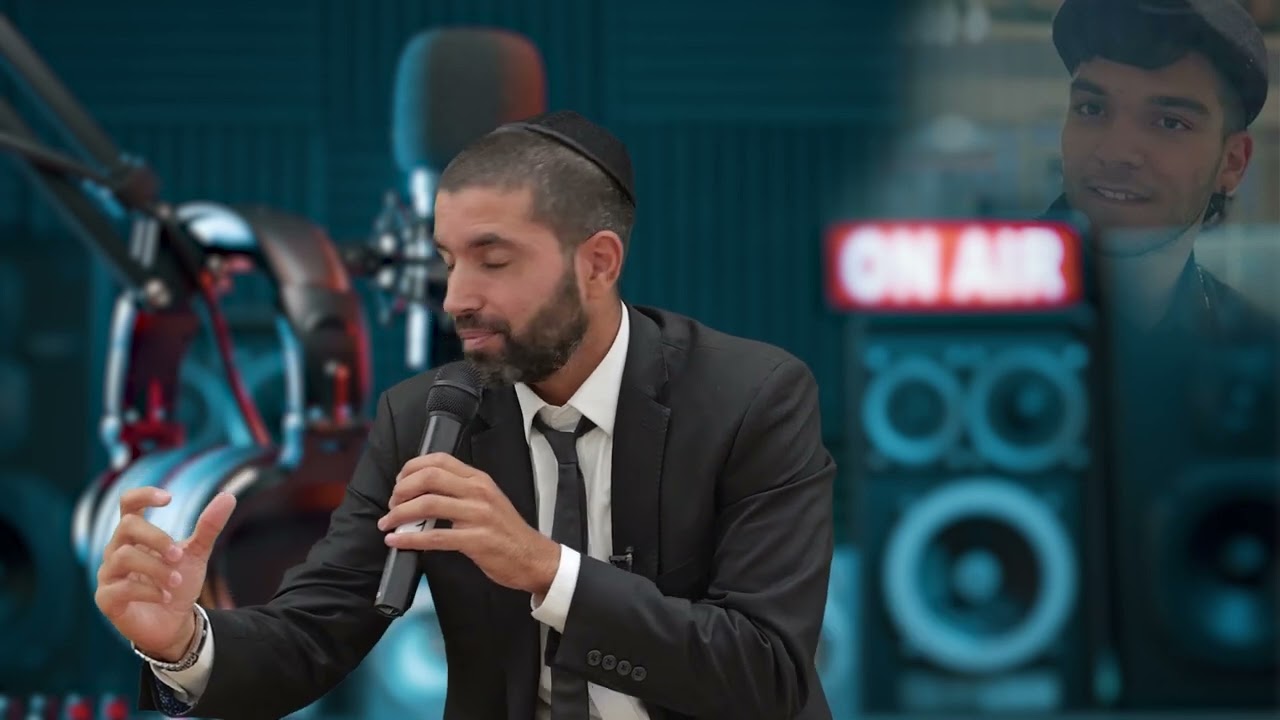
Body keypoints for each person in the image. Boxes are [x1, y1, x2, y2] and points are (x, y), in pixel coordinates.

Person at [93, 110, 838, 720]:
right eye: (449, 261)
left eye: (494, 260)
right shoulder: (423, 416)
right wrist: (183, 643)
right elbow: (315, 633)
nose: (456, 299)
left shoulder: (754, 398)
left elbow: (767, 673)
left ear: (598, 263)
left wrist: (545, 569)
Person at [1043, 0, 1275, 339]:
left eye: (1170, 123)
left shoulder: (1254, 348)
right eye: (1091, 109)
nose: (1116, 153)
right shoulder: (979, 304)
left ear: (1232, 163)